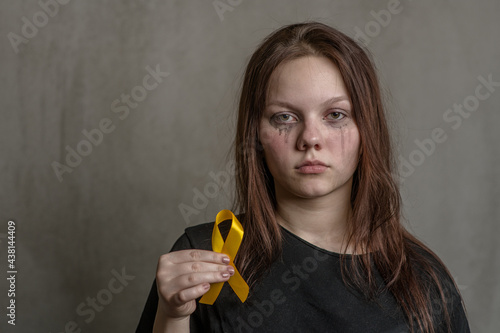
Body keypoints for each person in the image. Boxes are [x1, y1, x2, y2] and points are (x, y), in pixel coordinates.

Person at [136, 22, 470, 333]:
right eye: (285, 117)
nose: (310, 138)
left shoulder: (423, 280)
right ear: (256, 134)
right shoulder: (207, 258)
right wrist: (172, 316)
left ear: (366, 129)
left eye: (335, 115)